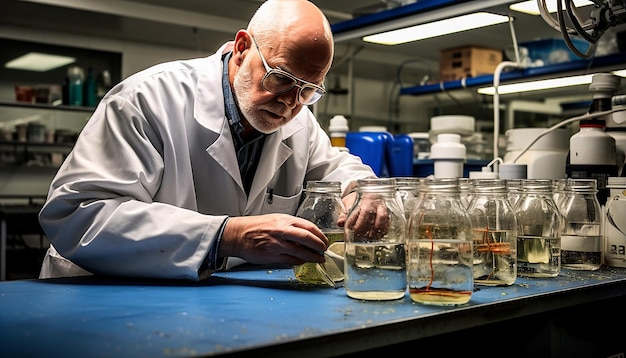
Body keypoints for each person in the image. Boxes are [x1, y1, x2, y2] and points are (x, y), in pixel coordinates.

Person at [38, 0, 377, 281]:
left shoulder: (298, 119)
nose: (290, 101)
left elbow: (338, 168)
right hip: (96, 294)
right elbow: (77, 215)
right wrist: (228, 236)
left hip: (213, 302)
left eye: (308, 90)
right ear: (243, 48)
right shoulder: (146, 100)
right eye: (280, 78)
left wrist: (364, 191)